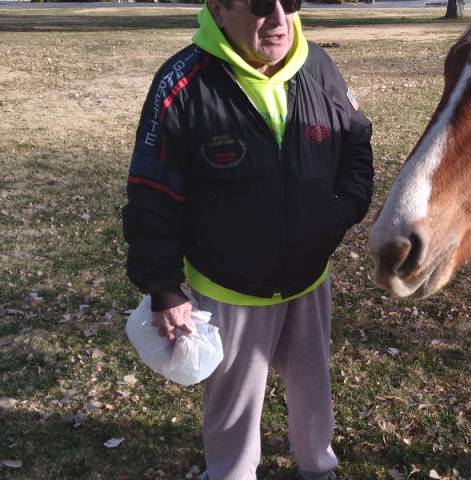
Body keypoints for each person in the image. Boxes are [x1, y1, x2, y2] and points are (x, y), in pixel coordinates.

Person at [121, 0, 374, 476]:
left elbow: (356, 141)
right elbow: (150, 190)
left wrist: (340, 213)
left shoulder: (318, 65)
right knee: (234, 411)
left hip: (309, 278)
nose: (279, 19)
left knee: (313, 391)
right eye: (260, 5)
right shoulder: (182, 82)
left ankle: (319, 469)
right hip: (230, 287)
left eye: (291, 2)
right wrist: (163, 287)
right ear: (218, 9)